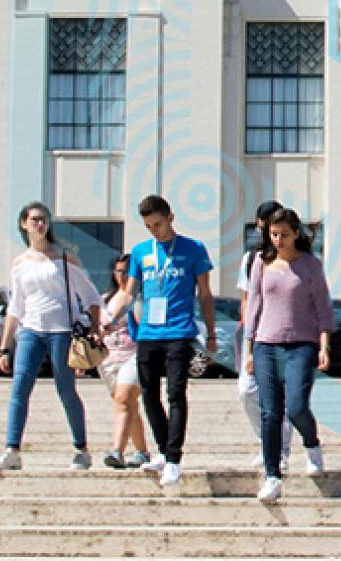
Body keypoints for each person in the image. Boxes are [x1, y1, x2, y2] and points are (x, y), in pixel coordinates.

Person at [107, 194, 215, 486]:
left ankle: (174, 459)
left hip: (179, 332)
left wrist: (211, 333)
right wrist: (109, 317)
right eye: (148, 226)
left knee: (176, 394)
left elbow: (205, 294)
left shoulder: (193, 249)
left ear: (170, 218)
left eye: (158, 224)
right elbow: (129, 292)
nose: (154, 230)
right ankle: (164, 451)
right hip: (148, 333)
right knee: (148, 394)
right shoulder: (141, 252)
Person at [0, 202, 102, 471]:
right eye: (35, 220)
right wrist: (4, 347)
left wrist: (93, 329)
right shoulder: (20, 263)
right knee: (20, 388)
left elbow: (91, 297)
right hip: (30, 330)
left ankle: (81, 449)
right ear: (24, 224)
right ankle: (12, 449)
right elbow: (15, 307)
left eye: (44, 219)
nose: (40, 224)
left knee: (66, 389)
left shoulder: (64, 259)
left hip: (62, 331)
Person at [244, 207, 334, 503]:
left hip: (301, 344)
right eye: (273, 234)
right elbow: (254, 307)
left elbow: (323, 307)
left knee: (295, 406)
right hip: (266, 344)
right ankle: (272, 475)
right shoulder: (261, 262)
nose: (278, 240)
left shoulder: (310, 265)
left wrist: (324, 345)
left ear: (296, 233)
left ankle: (312, 444)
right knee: (270, 411)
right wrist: (249, 349)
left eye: (283, 234)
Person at [236, 200, 292, 469]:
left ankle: (281, 451)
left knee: (281, 396)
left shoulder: (295, 258)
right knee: (247, 391)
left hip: (286, 335)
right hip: (257, 334)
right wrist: (249, 334)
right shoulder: (251, 259)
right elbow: (246, 298)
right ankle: (267, 441)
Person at [99, 254, 152, 469]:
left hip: (134, 355)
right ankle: (142, 452)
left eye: (126, 272)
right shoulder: (106, 298)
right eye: (118, 271)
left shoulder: (139, 298)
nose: (122, 276)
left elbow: (145, 323)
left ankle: (117, 451)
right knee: (127, 404)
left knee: (123, 398)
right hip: (108, 360)